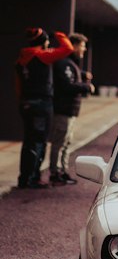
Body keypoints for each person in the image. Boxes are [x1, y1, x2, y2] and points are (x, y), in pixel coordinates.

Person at [14, 27, 74, 189]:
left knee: (28, 141)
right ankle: (32, 178)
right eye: (47, 42)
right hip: (41, 103)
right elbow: (68, 48)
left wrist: (22, 100)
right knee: (39, 141)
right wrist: (58, 35)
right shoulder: (42, 56)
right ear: (43, 42)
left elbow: (18, 85)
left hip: (26, 103)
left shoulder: (21, 58)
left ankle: (24, 177)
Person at [49, 33, 95, 184]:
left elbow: (70, 77)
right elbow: (67, 85)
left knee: (66, 142)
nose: (84, 49)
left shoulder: (70, 63)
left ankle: (63, 171)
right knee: (59, 142)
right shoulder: (64, 63)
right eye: (82, 46)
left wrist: (82, 75)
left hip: (70, 110)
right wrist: (86, 86)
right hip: (63, 110)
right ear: (74, 46)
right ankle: (55, 173)